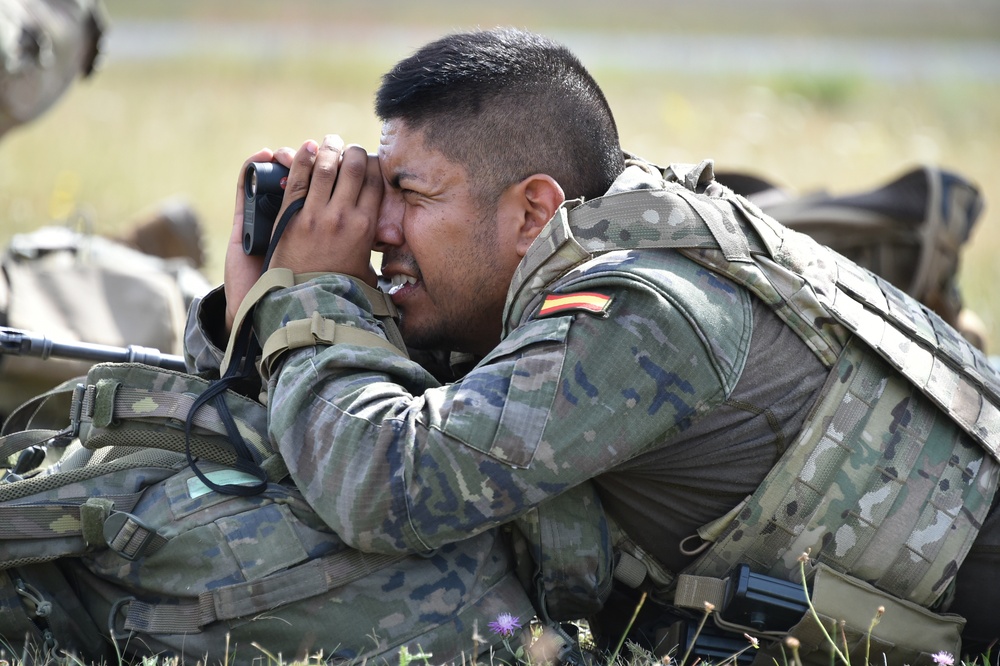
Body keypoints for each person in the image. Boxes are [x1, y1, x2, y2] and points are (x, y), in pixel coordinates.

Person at [189, 28, 1000, 664]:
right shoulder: (546, 269)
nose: (379, 228)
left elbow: (384, 483)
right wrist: (251, 300)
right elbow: (311, 426)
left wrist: (309, 297)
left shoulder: (643, 313)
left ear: (533, 210)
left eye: (409, 193)